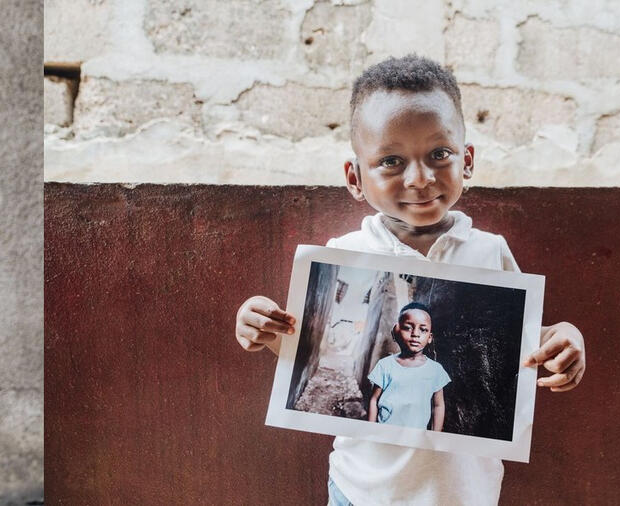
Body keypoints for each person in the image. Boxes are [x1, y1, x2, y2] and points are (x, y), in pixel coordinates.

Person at [234, 54, 586, 506]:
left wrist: (565, 339)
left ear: (468, 160)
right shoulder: (344, 251)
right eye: (391, 161)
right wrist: (259, 328)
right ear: (354, 177)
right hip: (361, 491)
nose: (420, 179)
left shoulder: (488, 250)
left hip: (463, 494)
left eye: (439, 154)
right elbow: (306, 345)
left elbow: (522, 346)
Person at [367, 302, 451, 431]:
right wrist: (370, 430)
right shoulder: (385, 365)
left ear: (430, 337)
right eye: (408, 327)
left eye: (423, 330)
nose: (415, 334)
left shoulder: (435, 370)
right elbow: (374, 400)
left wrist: (435, 436)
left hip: (415, 436)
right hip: (384, 432)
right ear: (396, 332)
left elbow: (438, 405)